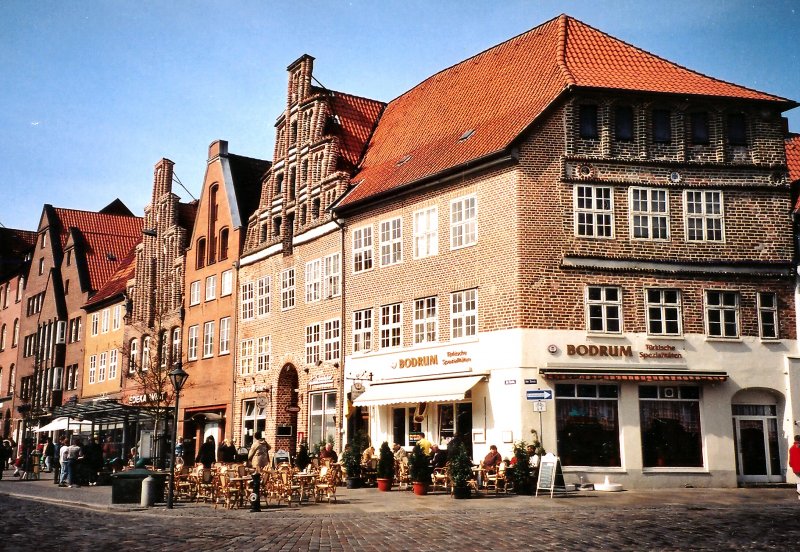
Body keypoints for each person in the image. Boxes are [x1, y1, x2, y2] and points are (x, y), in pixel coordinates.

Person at [789, 434, 800, 501]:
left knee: (798, 480)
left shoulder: (792, 448)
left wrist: (791, 465)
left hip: (795, 467)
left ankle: (799, 490)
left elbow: (791, 458)